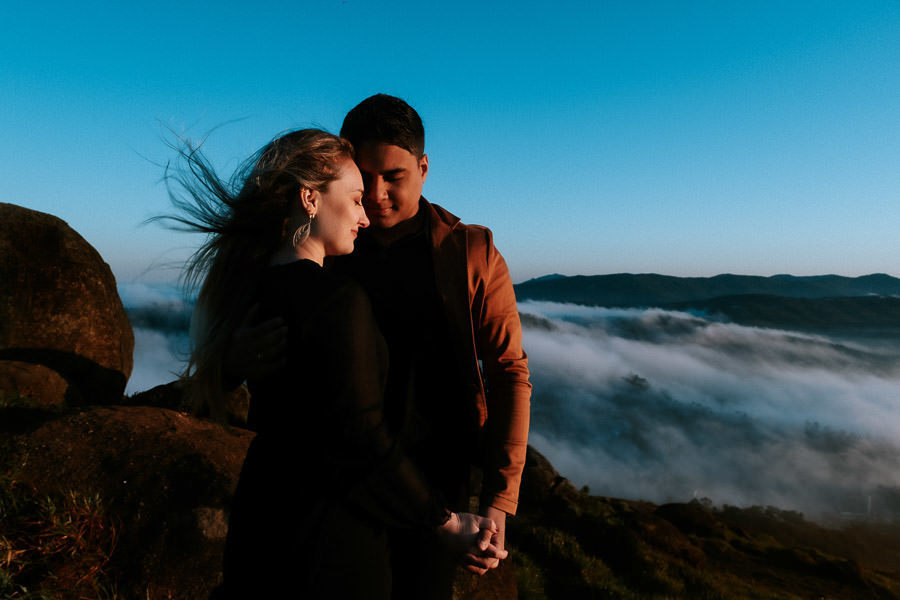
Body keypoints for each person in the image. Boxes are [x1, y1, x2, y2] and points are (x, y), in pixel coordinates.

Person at [162, 128, 503, 599]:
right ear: (309, 198)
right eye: (357, 197)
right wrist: (444, 520)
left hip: (263, 514)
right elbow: (360, 434)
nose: (366, 216)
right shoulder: (336, 296)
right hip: (331, 532)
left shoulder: (251, 288)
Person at [232, 95, 532, 598]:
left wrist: (499, 500)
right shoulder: (327, 240)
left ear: (424, 167)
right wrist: (232, 359)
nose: (375, 195)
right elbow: (247, 328)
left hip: (436, 477)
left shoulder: (469, 252)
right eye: (363, 178)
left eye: (393, 176)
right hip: (337, 480)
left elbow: (508, 373)